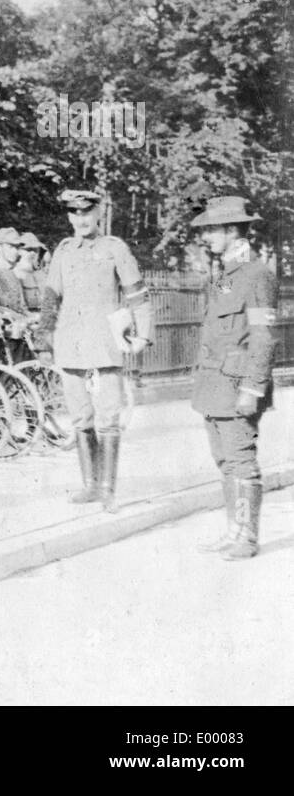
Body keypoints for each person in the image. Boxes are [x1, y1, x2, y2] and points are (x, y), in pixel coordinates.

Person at [35, 189, 151, 512]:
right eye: (74, 213)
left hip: (104, 346)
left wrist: (142, 335)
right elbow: (50, 299)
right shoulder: (63, 251)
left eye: (86, 212)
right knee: (80, 418)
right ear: (69, 216)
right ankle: (89, 486)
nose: (81, 219)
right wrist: (44, 339)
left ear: (97, 213)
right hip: (71, 347)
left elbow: (137, 294)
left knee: (109, 417)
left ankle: (107, 490)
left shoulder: (114, 248)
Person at [190, 197, 275, 560]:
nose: (205, 236)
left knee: (241, 461)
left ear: (232, 230)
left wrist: (252, 389)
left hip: (238, 387)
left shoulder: (256, 275)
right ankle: (233, 532)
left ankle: (247, 538)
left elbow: (263, 337)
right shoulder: (223, 274)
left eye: (211, 229)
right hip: (214, 386)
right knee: (224, 461)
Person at [0, 227, 30, 362]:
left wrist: (30, 317)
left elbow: (21, 306)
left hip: (18, 331)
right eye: (11, 247)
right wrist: (19, 317)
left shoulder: (14, 275)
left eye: (17, 248)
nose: (16, 252)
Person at [16, 232, 47, 313]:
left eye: (35, 250)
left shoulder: (42, 275)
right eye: (28, 250)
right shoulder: (14, 275)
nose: (32, 253)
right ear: (19, 251)